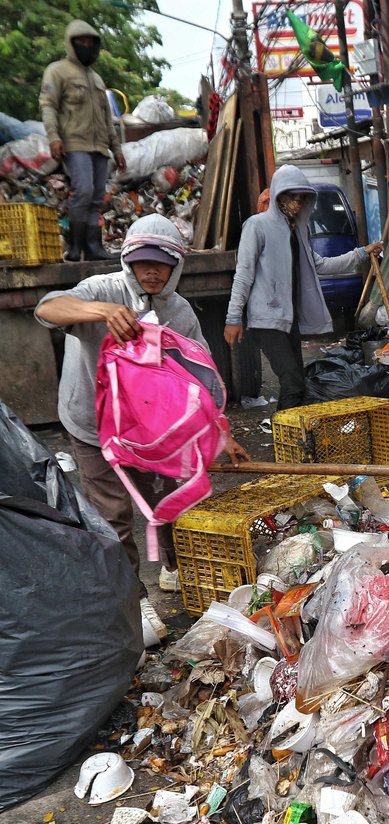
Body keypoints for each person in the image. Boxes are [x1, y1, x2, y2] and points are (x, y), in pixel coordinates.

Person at [35, 213, 250, 637]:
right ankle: (135, 600)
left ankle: (172, 568)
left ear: (176, 266)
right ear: (128, 261)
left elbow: (199, 376)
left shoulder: (180, 311)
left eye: (162, 262)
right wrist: (101, 312)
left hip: (154, 434)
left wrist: (223, 434)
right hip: (95, 428)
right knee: (112, 516)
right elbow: (47, 308)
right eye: (143, 261)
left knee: (169, 501)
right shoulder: (104, 289)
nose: (151, 271)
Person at [224, 164, 383, 411]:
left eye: (301, 199)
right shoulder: (257, 226)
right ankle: (283, 440)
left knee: (298, 384)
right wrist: (233, 317)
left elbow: (319, 264)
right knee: (293, 383)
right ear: (279, 195)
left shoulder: (298, 230)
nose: (296, 204)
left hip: (289, 321)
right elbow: (243, 274)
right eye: (291, 198)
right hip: (266, 320)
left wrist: (362, 253)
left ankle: (293, 437)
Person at [39, 19, 127, 262]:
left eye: (91, 42)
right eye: (82, 42)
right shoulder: (57, 71)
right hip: (75, 144)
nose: (87, 46)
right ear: (71, 43)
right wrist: (54, 137)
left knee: (97, 196)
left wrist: (117, 149)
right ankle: (74, 247)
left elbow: (107, 118)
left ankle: (93, 248)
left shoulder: (97, 79)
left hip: (99, 147)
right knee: (84, 191)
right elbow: (48, 106)